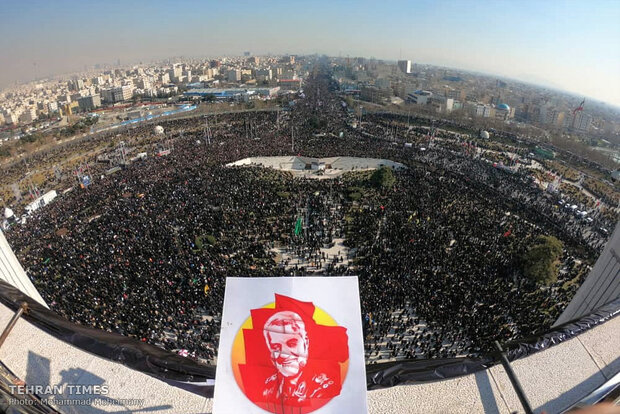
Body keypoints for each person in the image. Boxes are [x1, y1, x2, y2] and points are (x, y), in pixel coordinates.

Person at [239, 294, 348, 414]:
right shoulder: (266, 388)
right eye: (276, 347)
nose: (284, 354)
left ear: (306, 342)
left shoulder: (323, 389)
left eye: (291, 343)